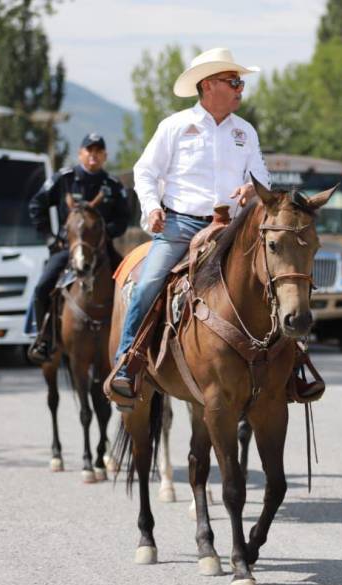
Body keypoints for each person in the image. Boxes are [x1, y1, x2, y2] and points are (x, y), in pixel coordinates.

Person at [107, 48, 323, 402]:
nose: (241, 88)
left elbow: (262, 178)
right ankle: (129, 362)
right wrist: (151, 209)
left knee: (280, 278)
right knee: (148, 285)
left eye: (240, 82)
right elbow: (145, 172)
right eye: (234, 81)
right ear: (208, 85)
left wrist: (253, 187)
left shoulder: (245, 132)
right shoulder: (175, 126)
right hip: (181, 225)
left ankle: (295, 363)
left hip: (234, 230)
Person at [27, 133, 130, 362]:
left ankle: (132, 343)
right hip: (68, 249)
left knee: (131, 286)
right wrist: (49, 238)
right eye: (89, 150)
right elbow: (36, 205)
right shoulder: (64, 179)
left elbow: (124, 217)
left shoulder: (112, 185)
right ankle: (45, 339)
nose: (93, 155)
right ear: (80, 153)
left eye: (98, 151)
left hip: (103, 251)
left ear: (105, 156)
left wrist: (105, 233)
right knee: (42, 287)